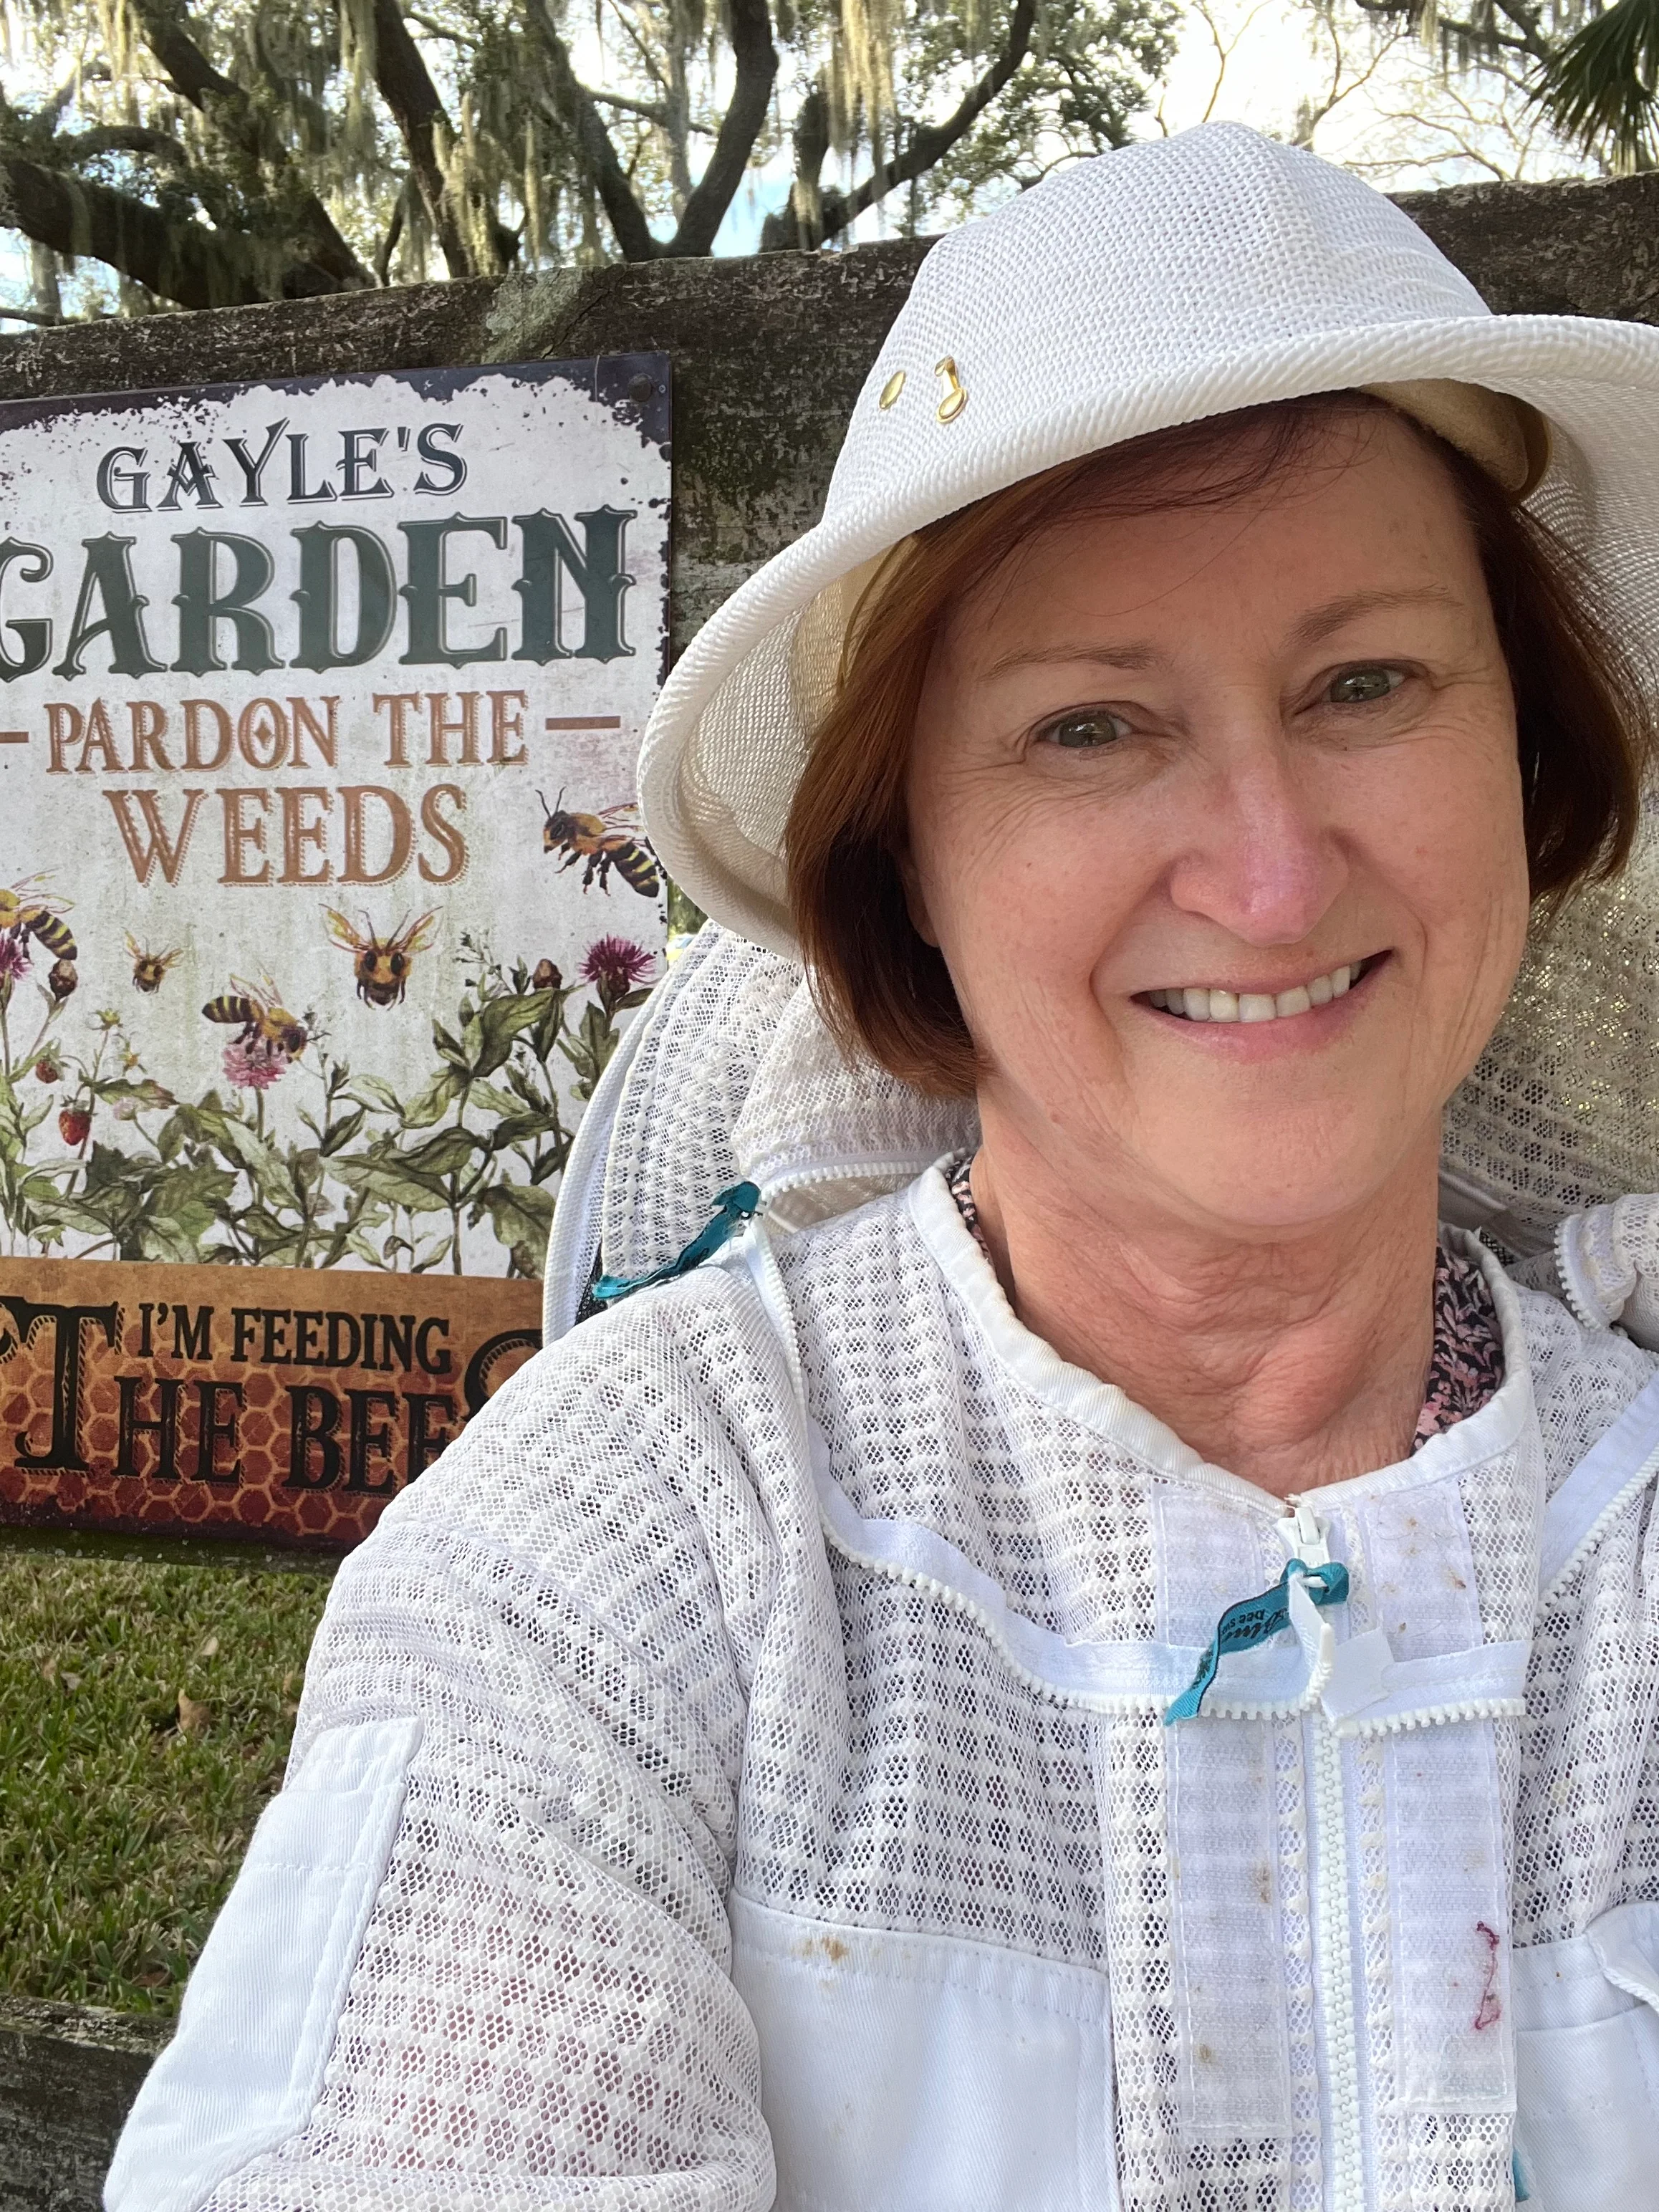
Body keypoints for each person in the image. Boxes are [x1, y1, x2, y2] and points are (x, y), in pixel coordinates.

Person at [109, 123, 1659, 2212]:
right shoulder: (629, 1553)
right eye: (1089, 728)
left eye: (1363, 683)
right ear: (900, 861)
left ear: (1528, 760)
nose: (1271, 870)